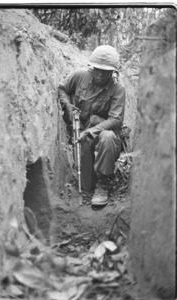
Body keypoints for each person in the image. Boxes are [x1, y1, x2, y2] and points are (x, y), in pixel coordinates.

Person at [58, 45, 126, 206]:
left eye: (106, 71)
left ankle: (103, 184)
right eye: (98, 70)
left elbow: (116, 120)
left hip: (105, 134)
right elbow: (62, 88)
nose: (101, 75)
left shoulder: (118, 89)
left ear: (113, 72)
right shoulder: (79, 76)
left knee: (107, 138)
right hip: (83, 131)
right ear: (92, 68)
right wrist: (67, 105)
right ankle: (91, 184)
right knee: (86, 185)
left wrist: (91, 131)